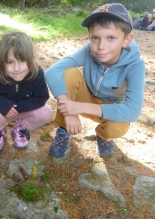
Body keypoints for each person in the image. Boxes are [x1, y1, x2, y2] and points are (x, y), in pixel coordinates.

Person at [44, 3, 146, 158]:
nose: (101, 47)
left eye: (111, 38)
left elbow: (133, 111)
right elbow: (52, 71)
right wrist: (69, 111)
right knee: (69, 73)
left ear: (126, 39)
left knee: (117, 126)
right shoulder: (89, 50)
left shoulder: (135, 66)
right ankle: (64, 129)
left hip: (109, 107)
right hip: (86, 95)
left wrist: (78, 107)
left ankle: (103, 135)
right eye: (95, 38)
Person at [0, 31, 53, 152]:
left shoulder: (37, 74)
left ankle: (21, 128)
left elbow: (42, 98)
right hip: (1, 113)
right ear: (2, 62)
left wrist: (17, 108)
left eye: (22, 61)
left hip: (23, 111)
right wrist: (3, 105)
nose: (17, 68)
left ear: (32, 59)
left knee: (46, 112)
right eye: (10, 62)